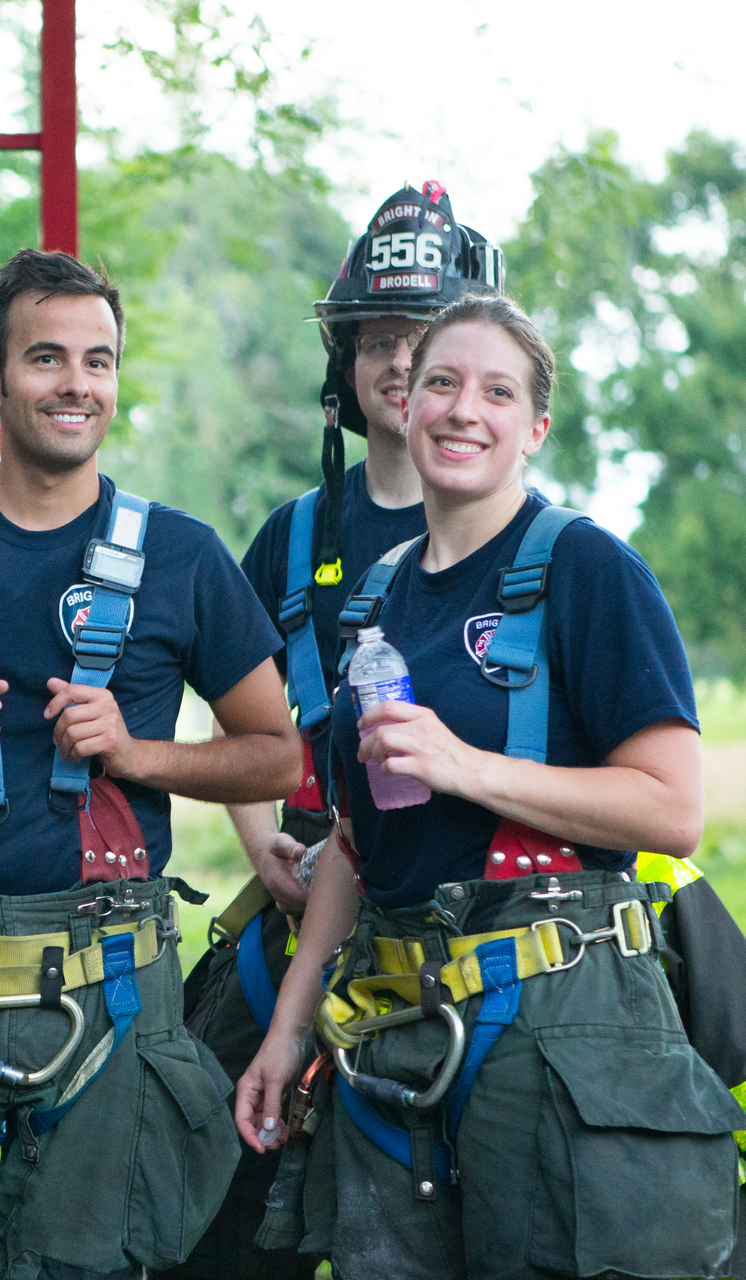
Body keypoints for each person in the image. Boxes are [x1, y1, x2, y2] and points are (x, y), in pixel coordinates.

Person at [234, 293, 746, 1279]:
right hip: (391, 1030)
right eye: (440, 382)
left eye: (496, 391)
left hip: (559, 1013)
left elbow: (671, 805)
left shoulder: (589, 569)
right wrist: (284, 1030)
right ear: (404, 409)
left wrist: (466, 765)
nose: (460, 409)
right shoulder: (377, 600)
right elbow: (357, 844)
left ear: (533, 428)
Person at [0, 248, 302, 1280]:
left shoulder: (184, 558)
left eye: (98, 359)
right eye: (46, 358)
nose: (76, 382)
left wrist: (137, 753)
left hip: (113, 989)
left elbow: (279, 750)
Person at [175, 183, 498, 1280]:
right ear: (345, 372)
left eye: (426, 340)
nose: (400, 364)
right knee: (208, 1187)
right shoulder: (297, 533)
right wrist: (255, 838)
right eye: (378, 342)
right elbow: (238, 709)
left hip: (474, 925)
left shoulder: (534, 549)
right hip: (297, 908)